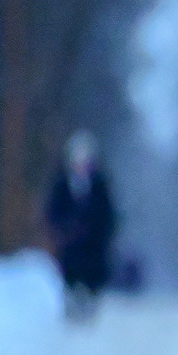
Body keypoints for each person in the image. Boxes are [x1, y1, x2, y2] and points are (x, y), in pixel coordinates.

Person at [43, 130, 120, 323]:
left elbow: (108, 215)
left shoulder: (100, 185)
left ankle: (90, 306)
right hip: (69, 246)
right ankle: (71, 306)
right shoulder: (61, 184)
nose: (81, 164)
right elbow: (53, 212)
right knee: (70, 274)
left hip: (94, 247)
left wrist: (98, 231)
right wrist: (63, 229)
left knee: (93, 275)